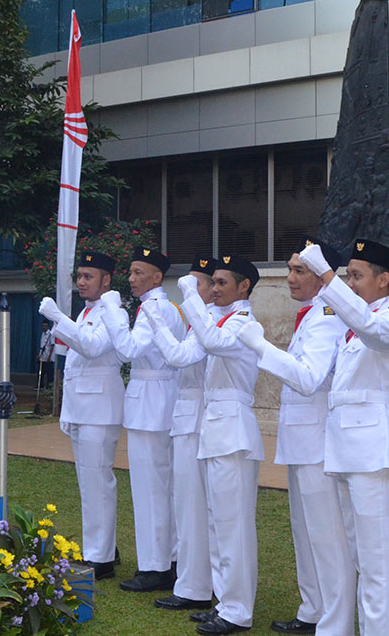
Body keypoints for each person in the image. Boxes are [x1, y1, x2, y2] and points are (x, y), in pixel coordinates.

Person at [294, 238, 389, 636]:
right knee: (360, 557)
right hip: (345, 453)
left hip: (373, 455)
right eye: (347, 276)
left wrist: (326, 276)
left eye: (356, 276)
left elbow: (370, 327)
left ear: (384, 281)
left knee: (377, 565)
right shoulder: (351, 328)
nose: (349, 283)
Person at [236, 238, 353, 635]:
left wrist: (261, 346)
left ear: (323, 277)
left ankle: (334, 621)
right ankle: (312, 611)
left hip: (320, 443)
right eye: (289, 268)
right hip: (302, 441)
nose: (289, 277)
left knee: (327, 539)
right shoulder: (310, 314)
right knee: (306, 535)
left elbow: (307, 379)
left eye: (299, 270)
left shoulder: (328, 316)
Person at [147, 255, 263, 635]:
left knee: (234, 527)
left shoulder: (245, 324)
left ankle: (238, 610)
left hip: (233, 431)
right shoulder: (221, 320)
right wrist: (154, 321)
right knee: (217, 524)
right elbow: (184, 356)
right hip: (216, 430)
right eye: (210, 283)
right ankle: (226, 604)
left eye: (221, 283)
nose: (213, 290)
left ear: (244, 287)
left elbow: (211, 342)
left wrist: (188, 295)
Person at [98, 246, 185, 593]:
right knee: (162, 488)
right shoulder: (163, 306)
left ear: (157, 277)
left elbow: (128, 350)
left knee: (150, 490)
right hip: (157, 402)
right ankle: (172, 559)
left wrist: (111, 309)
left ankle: (155, 566)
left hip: (151, 405)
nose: (131, 279)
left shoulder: (154, 308)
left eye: (138, 273)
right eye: (131, 273)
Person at [38, 250, 125, 580]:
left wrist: (58, 317)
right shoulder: (88, 311)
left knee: (98, 481)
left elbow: (91, 347)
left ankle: (99, 557)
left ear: (106, 280)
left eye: (89, 276)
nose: (81, 282)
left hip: (100, 410)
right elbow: (75, 364)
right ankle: (104, 547)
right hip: (84, 408)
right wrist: (67, 410)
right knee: (89, 482)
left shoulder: (113, 313)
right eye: (80, 276)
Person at [145, 255, 217, 613]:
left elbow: (177, 357)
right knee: (187, 506)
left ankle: (194, 586)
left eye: (200, 284)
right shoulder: (198, 321)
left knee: (193, 507)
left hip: (200, 419)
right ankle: (194, 582)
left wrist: (156, 320)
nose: (193, 290)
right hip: (189, 417)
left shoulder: (210, 321)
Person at [38, 320, 55, 388]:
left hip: (48, 357)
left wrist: (50, 356)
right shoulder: (42, 334)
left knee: (49, 373)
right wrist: (39, 355)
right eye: (43, 326)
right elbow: (42, 346)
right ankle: (40, 385)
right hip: (42, 356)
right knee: (41, 371)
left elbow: (52, 345)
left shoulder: (50, 334)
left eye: (45, 326)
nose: (44, 327)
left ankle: (49, 386)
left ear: (48, 326)